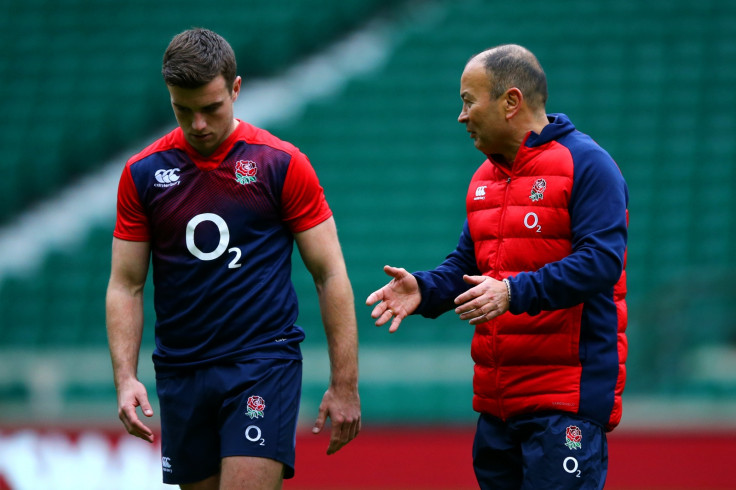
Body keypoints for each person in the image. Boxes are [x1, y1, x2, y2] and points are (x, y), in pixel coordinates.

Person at [105, 28, 360, 489]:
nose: (198, 124)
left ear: (236, 89)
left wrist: (345, 384)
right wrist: (126, 378)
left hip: (260, 365)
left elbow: (329, 273)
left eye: (211, 108)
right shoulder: (143, 174)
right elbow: (126, 284)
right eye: (184, 110)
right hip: (181, 372)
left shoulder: (280, 164)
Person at [366, 44, 628, 489]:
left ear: (511, 102)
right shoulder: (485, 178)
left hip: (564, 402)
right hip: (497, 405)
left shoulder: (588, 164)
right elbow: (467, 267)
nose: (461, 116)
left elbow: (601, 263)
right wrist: (425, 290)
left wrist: (512, 292)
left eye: (469, 100)